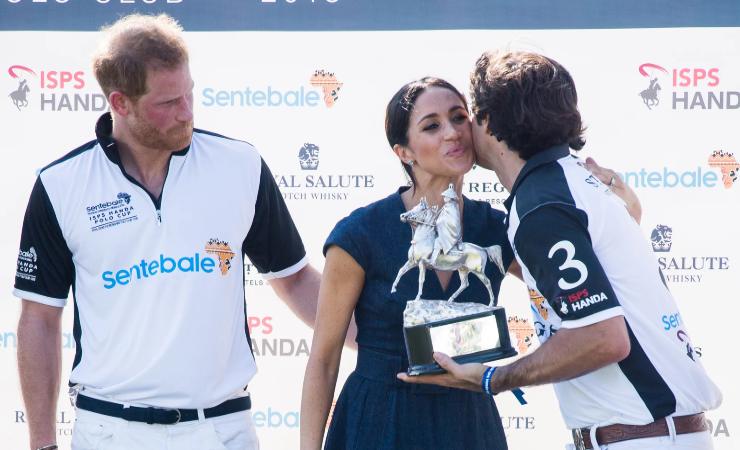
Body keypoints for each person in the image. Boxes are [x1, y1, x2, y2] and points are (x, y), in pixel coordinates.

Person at [13, 14, 320, 450]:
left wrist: (380, 339)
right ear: (120, 104)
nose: (187, 112)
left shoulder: (240, 166)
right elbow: (40, 319)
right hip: (108, 431)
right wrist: (42, 444)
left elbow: (296, 278)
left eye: (190, 92)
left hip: (222, 429)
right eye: (168, 102)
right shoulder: (60, 185)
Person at [399, 50, 722, 450]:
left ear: (488, 121)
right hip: (646, 434)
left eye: (466, 117)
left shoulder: (542, 205)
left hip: (639, 438)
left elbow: (604, 338)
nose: (459, 132)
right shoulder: (565, 185)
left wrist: (492, 378)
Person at [299, 76, 641, 450]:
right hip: (379, 423)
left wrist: (628, 214)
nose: (452, 133)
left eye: (459, 118)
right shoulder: (361, 233)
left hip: (469, 423)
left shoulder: (499, 226)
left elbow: (584, 286)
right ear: (404, 151)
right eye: (432, 126)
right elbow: (323, 359)